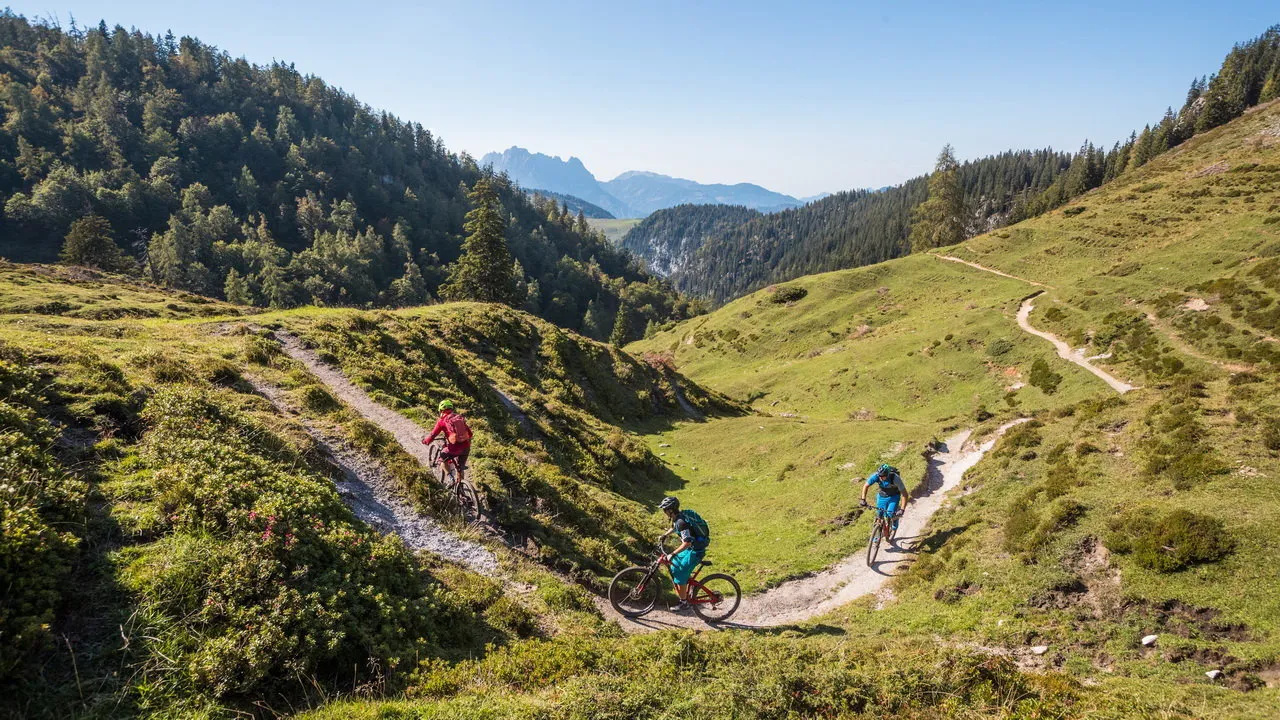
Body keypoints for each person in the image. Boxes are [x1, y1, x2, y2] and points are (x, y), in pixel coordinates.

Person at [657, 496, 709, 613]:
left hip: (695, 551)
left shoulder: (681, 522)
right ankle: (686, 586)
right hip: (692, 549)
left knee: (680, 572)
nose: (664, 512)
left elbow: (687, 542)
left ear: (670, 510)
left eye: (665, 509)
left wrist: (672, 553)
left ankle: (684, 603)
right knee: (675, 565)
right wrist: (665, 535)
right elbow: (674, 527)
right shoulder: (678, 518)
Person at [422, 400, 472, 480]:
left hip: (454, 448)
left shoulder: (442, 421)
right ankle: (460, 486)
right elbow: (470, 434)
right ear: (451, 409)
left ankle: (450, 478)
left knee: (442, 460)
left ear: (441, 411)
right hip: (466, 447)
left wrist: (426, 441)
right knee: (460, 467)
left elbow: (433, 435)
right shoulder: (459, 418)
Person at [860, 463, 909, 533]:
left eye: (882, 476)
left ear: (887, 475)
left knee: (890, 513)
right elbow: (866, 486)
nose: (880, 478)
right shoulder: (877, 475)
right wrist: (863, 499)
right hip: (882, 496)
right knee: (879, 515)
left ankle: (895, 519)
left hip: (894, 496)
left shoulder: (895, 478)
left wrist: (902, 509)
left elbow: (905, 494)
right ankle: (877, 534)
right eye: (879, 476)